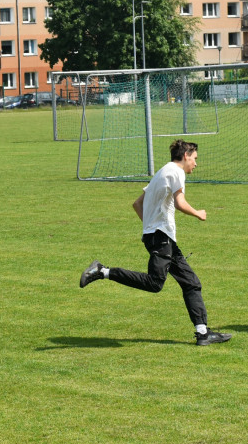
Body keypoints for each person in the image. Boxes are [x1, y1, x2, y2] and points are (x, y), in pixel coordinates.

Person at [79, 139, 231, 346]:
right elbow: (180, 203)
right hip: (161, 238)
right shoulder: (176, 172)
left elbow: (137, 203)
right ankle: (102, 271)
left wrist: (150, 227)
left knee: (191, 282)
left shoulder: (162, 172)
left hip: (160, 236)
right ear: (185, 155)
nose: (195, 164)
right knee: (155, 283)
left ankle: (203, 333)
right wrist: (198, 213)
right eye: (194, 159)